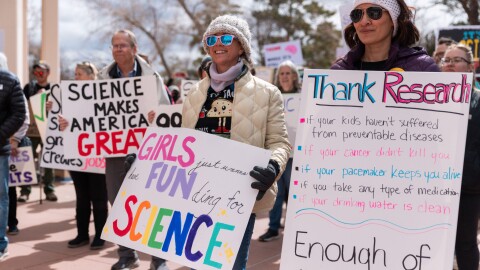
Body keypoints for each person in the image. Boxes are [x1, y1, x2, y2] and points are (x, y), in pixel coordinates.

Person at [181, 15, 291, 269]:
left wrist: (273, 167)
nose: (218, 43)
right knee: (198, 263)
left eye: (227, 37)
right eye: (212, 39)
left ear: (241, 45)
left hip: (238, 196)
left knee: (231, 265)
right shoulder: (194, 92)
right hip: (195, 193)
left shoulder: (267, 93)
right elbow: (182, 144)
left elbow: (279, 143)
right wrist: (146, 163)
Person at [99, 29, 171, 270]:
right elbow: (91, 114)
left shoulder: (153, 78)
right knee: (117, 203)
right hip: (115, 152)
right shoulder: (102, 78)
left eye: (123, 45)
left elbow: (167, 112)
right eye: (114, 45)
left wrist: (157, 114)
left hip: (148, 151)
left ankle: (158, 259)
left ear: (134, 49)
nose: (118, 49)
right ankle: (127, 255)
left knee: (152, 204)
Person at [58, 62, 109, 250]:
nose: (76, 77)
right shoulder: (71, 97)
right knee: (82, 196)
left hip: (98, 155)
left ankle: (100, 235)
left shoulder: (104, 95)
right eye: (75, 74)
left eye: (79, 74)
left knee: (98, 196)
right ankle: (82, 234)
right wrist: (62, 123)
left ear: (90, 76)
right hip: (78, 155)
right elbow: (64, 122)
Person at [441, 43, 480, 270]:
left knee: (464, 244)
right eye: (446, 60)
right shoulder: (427, 98)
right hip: (433, 187)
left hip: (468, 188)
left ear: (470, 67)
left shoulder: (478, 100)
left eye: (456, 60)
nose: (450, 64)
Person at [331, 0, 439, 72]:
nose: (363, 22)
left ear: (393, 20)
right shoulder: (340, 70)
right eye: (357, 14)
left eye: (374, 12)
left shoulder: (423, 67)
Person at [258, 60, 300, 242]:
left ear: (294, 76)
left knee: (293, 193)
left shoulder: (302, 96)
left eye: (288, 73)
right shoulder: (272, 96)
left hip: (296, 154)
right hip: (277, 153)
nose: (284, 76)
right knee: (277, 191)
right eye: (281, 73)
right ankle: (273, 227)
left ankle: (294, 228)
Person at [0, 53, 31, 236]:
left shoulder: (11, 83)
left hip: (8, 145)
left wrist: (13, 139)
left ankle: (11, 223)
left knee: (7, 190)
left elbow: (22, 116)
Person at [19, 60, 57, 202]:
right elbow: (22, 105)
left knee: (49, 160)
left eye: (41, 71)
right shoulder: (29, 87)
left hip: (50, 130)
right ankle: (25, 191)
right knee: (27, 159)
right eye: (36, 72)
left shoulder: (54, 88)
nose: (38, 74)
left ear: (48, 73)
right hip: (32, 130)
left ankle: (49, 189)